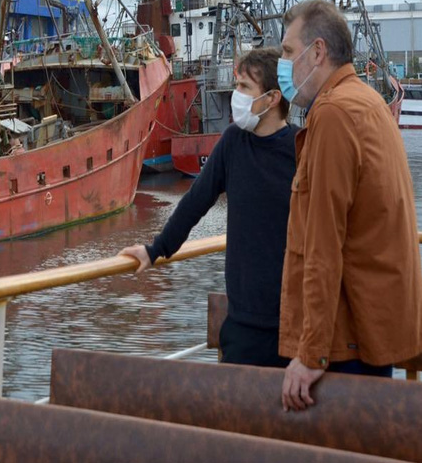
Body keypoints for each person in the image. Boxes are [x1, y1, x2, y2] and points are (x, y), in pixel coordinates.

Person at [276, 0, 422, 412]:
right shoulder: (367, 101)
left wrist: (311, 354)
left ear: (318, 52)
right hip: (371, 331)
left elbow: (323, 245)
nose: (283, 64)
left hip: (346, 344)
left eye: (289, 52)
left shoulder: (333, 115)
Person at [120, 47, 297, 368]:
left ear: (272, 98)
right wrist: (155, 249)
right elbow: (195, 202)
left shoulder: (303, 149)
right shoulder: (232, 143)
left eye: (244, 88)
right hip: (243, 323)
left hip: (294, 324)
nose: (236, 95)